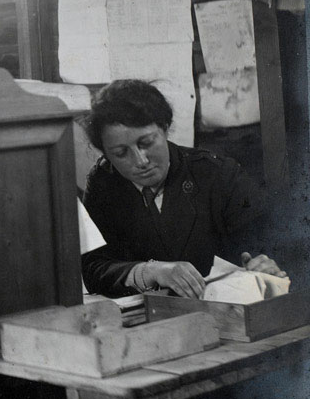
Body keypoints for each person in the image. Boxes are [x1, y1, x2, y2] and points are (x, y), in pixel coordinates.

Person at [81, 79, 286, 298]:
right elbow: (94, 269)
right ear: (105, 153)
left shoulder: (218, 174)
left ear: (165, 128)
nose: (140, 161)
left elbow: (271, 243)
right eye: (121, 153)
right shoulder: (104, 183)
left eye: (147, 142)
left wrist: (266, 263)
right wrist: (149, 271)